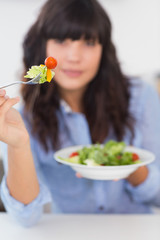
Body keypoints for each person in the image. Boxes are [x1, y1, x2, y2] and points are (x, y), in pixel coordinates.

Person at [0, 0, 160, 227]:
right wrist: (18, 145)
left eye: (89, 42)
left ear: (104, 50)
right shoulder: (22, 117)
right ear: (41, 47)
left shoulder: (140, 96)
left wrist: (129, 166)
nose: (74, 56)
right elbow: (26, 217)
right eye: (60, 40)